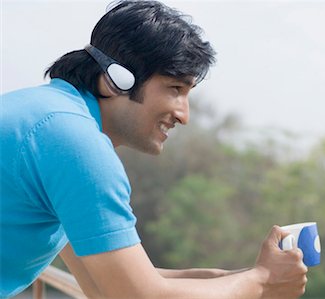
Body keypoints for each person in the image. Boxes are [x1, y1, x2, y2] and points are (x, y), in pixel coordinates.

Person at [0, 1, 308, 298]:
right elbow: (135, 295)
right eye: (175, 89)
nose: (184, 115)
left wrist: (247, 277)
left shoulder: (48, 119)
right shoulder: (76, 147)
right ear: (115, 80)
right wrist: (263, 282)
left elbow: (105, 282)